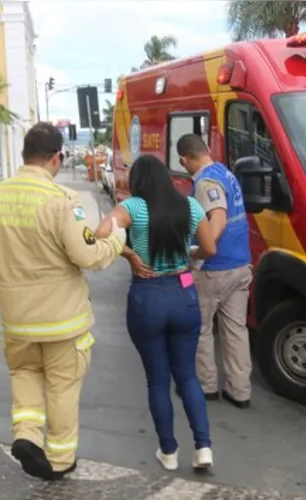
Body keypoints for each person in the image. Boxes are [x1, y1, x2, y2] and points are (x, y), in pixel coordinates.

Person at [0, 122, 126, 481]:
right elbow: (88, 256)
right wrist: (117, 241)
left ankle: (26, 435)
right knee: (62, 387)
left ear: (24, 155)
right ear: (57, 157)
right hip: (63, 323)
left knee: (24, 374)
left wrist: (8, 301)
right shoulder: (62, 202)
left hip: (16, 321)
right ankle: (60, 461)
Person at [93, 154, 218, 471]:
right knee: (188, 375)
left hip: (147, 297)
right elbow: (209, 249)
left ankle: (169, 451)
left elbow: (100, 232)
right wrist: (188, 253)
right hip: (183, 292)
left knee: (158, 380)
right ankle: (203, 447)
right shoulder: (189, 206)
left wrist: (130, 254)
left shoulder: (134, 207)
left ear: (139, 181)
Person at [176, 134, 254, 409]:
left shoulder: (205, 182)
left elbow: (218, 217)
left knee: (201, 328)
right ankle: (240, 391)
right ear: (207, 149)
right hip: (241, 266)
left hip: (213, 270)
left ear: (184, 159)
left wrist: (201, 251)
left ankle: (206, 386)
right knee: (235, 331)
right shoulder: (225, 173)